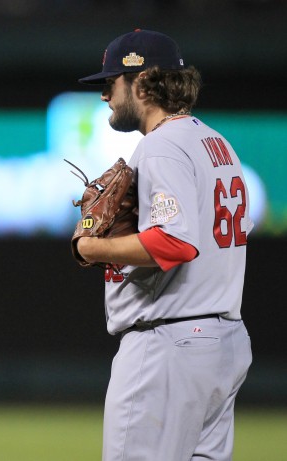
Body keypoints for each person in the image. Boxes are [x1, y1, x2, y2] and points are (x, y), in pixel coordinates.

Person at [73, 30, 253, 460]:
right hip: (223, 341)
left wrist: (90, 249)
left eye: (109, 82)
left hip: (169, 345)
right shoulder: (215, 143)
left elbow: (173, 244)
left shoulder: (160, 148)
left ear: (141, 82)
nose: (103, 96)